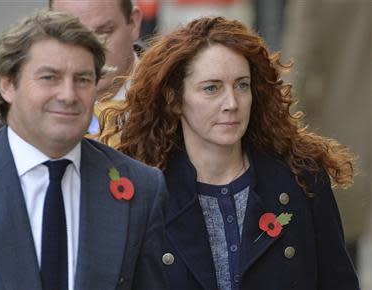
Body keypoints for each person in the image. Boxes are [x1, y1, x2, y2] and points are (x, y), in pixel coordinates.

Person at [100, 16, 360, 290]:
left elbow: (338, 281)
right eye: (212, 88)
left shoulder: (301, 178)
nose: (232, 103)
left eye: (241, 85)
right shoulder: (144, 193)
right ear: (175, 100)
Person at [0, 9, 168, 290]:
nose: (68, 94)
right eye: (49, 78)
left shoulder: (141, 188)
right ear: (7, 84)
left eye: (83, 79)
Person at [50, 0, 143, 135]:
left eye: (104, 32)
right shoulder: (25, 114)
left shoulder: (175, 96)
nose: (90, 49)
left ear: (134, 23)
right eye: (72, 35)